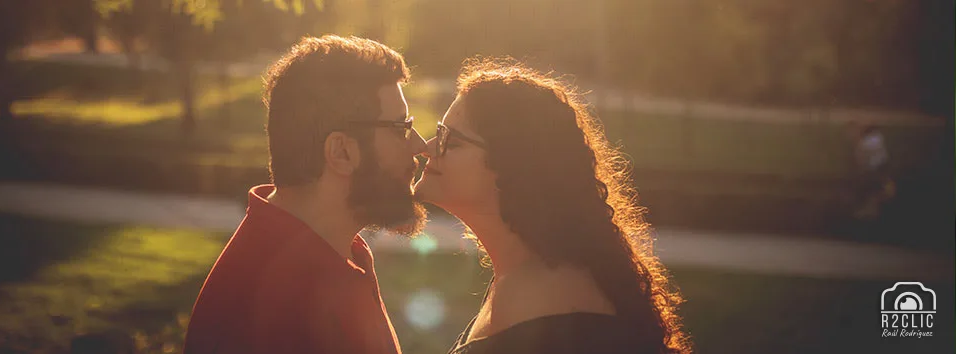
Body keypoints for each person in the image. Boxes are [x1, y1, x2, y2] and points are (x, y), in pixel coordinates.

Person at [414, 58, 691, 354]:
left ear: (513, 166)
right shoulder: (527, 276)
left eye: (451, 141)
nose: (427, 147)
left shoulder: (543, 301)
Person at [183, 35, 429, 354]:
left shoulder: (341, 253)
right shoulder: (277, 307)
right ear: (341, 152)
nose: (420, 145)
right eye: (400, 128)